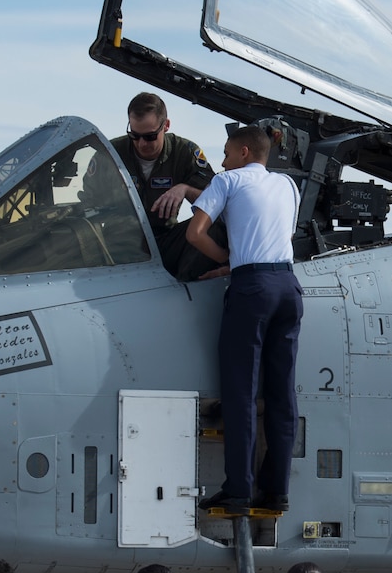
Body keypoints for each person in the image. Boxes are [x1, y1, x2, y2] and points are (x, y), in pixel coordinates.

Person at [185, 121, 304, 515]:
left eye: (225, 152)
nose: (221, 160)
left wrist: (224, 259)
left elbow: (195, 233)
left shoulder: (227, 181)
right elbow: (278, 236)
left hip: (251, 289)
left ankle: (239, 489)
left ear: (244, 153)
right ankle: (278, 490)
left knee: (240, 393)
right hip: (287, 286)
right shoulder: (288, 186)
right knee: (282, 396)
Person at [95, 91, 217, 280]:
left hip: (165, 239)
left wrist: (185, 189)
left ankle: (184, 288)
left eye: (150, 136)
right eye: (135, 136)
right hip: (119, 243)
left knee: (212, 227)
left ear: (166, 125)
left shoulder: (185, 153)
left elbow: (215, 200)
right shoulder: (110, 154)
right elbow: (87, 201)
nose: (142, 144)